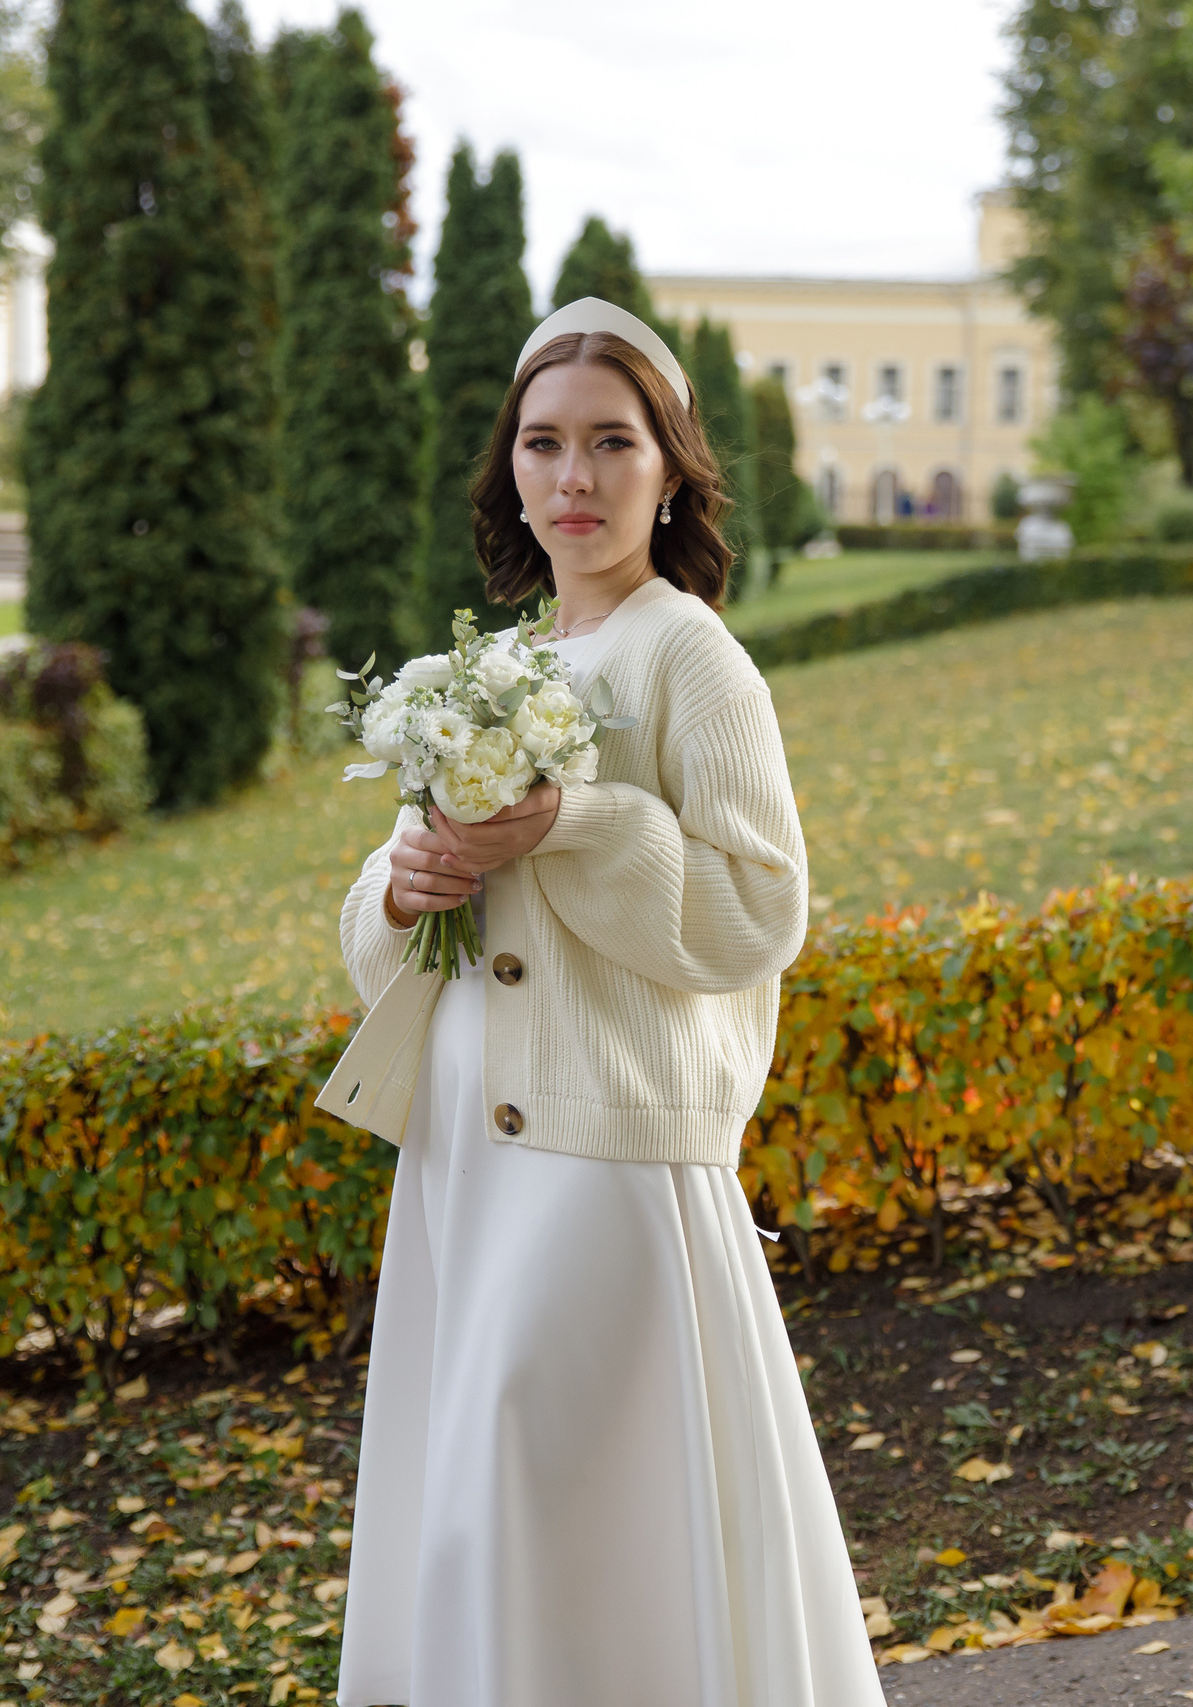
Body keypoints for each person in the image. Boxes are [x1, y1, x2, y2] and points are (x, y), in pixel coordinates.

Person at [316, 298, 883, 1707]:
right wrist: (403, 890)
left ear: (672, 466)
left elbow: (761, 912)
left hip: (602, 1141)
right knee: (490, 1495)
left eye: (612, 443)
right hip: (467, 1148)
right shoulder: (497, 669)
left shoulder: (691, 656)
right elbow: (399, 928)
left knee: (555, 1464)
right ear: (510, 466)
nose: (575, 477)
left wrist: (577, 818)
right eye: (544, 443)